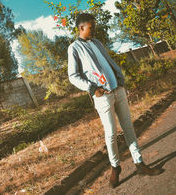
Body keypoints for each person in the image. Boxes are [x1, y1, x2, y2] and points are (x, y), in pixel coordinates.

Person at [67, 13, 163, 188]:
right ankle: (115, 167)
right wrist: (92, 88)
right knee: (111, 134)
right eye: (91, 27)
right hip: (102, 96)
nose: (94, 29)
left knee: (128, 128)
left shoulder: (97, 43)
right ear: (81, 28)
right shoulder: (74, 48)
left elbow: (107, 62)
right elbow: (73, 76)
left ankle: (140, 163)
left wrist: (120, 81)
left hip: (118, 90)